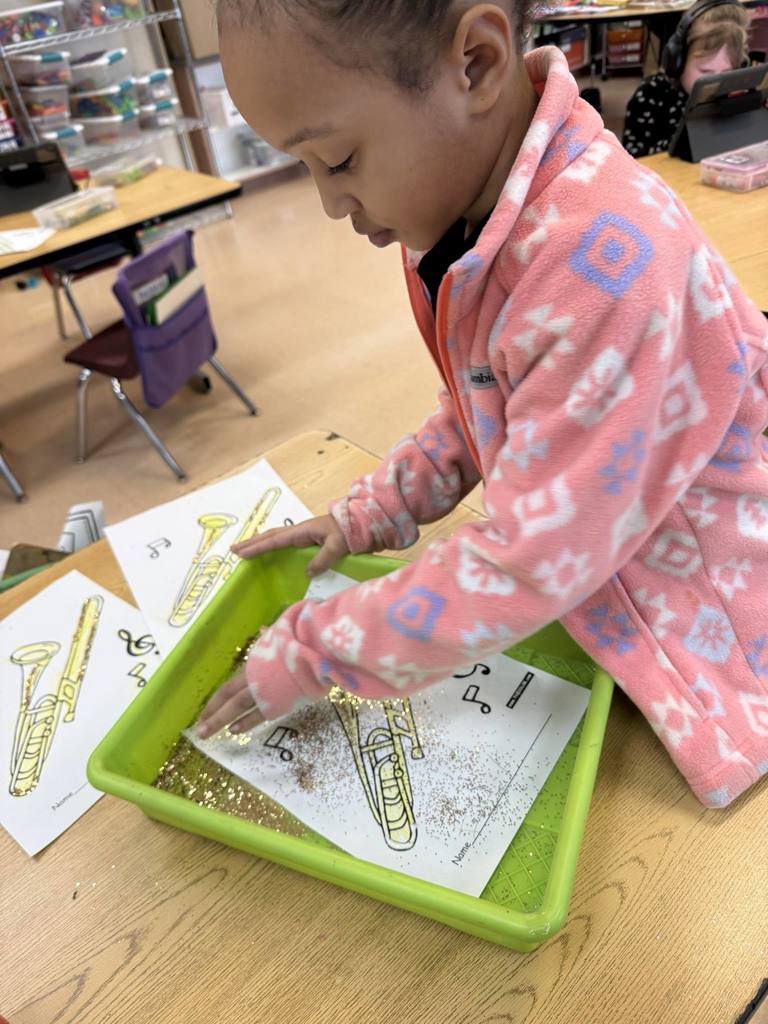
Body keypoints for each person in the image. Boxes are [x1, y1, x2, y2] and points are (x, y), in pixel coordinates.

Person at [197, 0, 768, 809]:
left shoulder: (603, 261)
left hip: (720, 659)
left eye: (339, 159)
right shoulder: (476, 218)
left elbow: (531, 555)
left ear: (476, 64)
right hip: (610, 607)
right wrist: (368, 513)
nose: (328, 203)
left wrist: (313, 651)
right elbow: (484, 409)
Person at [622, 0, 751, 158]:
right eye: (705, 71)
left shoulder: (733, 93)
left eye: (726, 72)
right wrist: (680, 145)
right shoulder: (650, 95)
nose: (716, 83)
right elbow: (630, 159)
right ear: (678, 62)